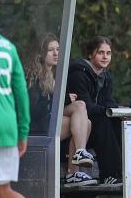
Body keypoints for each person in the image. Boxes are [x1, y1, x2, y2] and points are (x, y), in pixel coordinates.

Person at [0, 0, 56, 198]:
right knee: (3, 190)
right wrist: (23, 132)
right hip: (6, 126)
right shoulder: (8, 47)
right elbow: (21, 94)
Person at [25, 33, 97, 186]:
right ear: (41, 53)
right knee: (83, 119)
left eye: (58, 49)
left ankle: (79, 156)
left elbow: (56, 104)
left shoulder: (55, 74)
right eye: (51, 50)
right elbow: (35, 110)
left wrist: (64, 99)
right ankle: (73, 171)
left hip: (50, 119)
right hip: (37, 127)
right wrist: (60, 99)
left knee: (82, 111)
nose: (56, 53)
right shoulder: (33, 76)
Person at [66, 36, 123, 186]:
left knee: (118, 121)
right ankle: (109, 175)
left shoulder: (106, 76)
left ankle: (120, 173)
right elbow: (87, 106)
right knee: (103, 122)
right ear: (91, 54)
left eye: (108, 53)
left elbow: (108, 101)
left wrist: (118, 110)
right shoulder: (78, 74)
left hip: (94, 125)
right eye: (100, 53)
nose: (105, 57)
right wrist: (108, 110)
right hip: (78, 128)